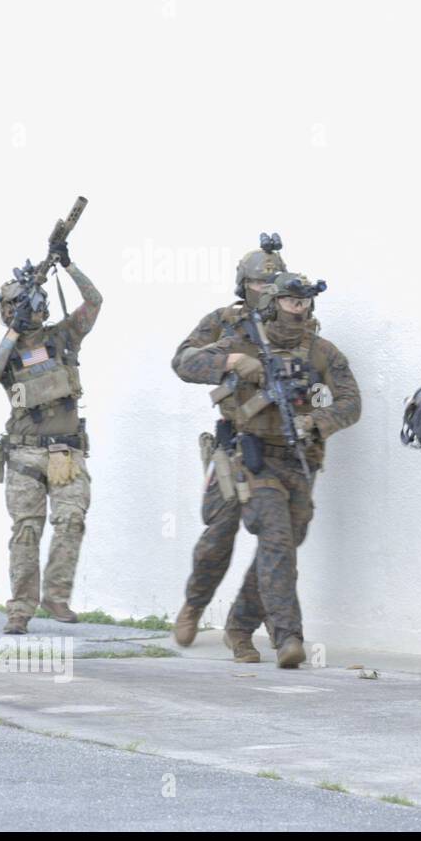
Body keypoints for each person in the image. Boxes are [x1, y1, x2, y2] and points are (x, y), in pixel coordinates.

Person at [174, 272, 360, 667]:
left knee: (283, 548)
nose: (299, 308)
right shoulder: (241, 337)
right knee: (264, 540)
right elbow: (185, 362)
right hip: (251, 457)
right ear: (274, 302)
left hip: (299, 460)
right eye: (292, 301)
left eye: (305, 302)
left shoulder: (321, 351)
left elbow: (351, 403)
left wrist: (318, 421)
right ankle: (286, 636)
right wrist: (234, 362)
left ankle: (239, 627)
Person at [170, 236, 287, 647]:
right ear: (244, 284)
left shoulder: (295, 323)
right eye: (259, 283)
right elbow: (183, 361)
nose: (268, 291)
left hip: (278, 449)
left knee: (277, 540)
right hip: (234, 447)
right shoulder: (223, 321)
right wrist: (231, 361)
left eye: (274, 283)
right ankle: (194, 605)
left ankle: (270, 615)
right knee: (217, 536)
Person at [0, 241, 101, 635]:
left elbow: (94, 301)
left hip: (65, 452)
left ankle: (56, 594)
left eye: (29, 305)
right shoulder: (7, 353)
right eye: (14, 307)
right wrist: (15, 331)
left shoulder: (62, 338)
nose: (25, 312)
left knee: (71, 520)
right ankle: (20, 609)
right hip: (24, 456)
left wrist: (68, 265)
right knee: (27, 531)